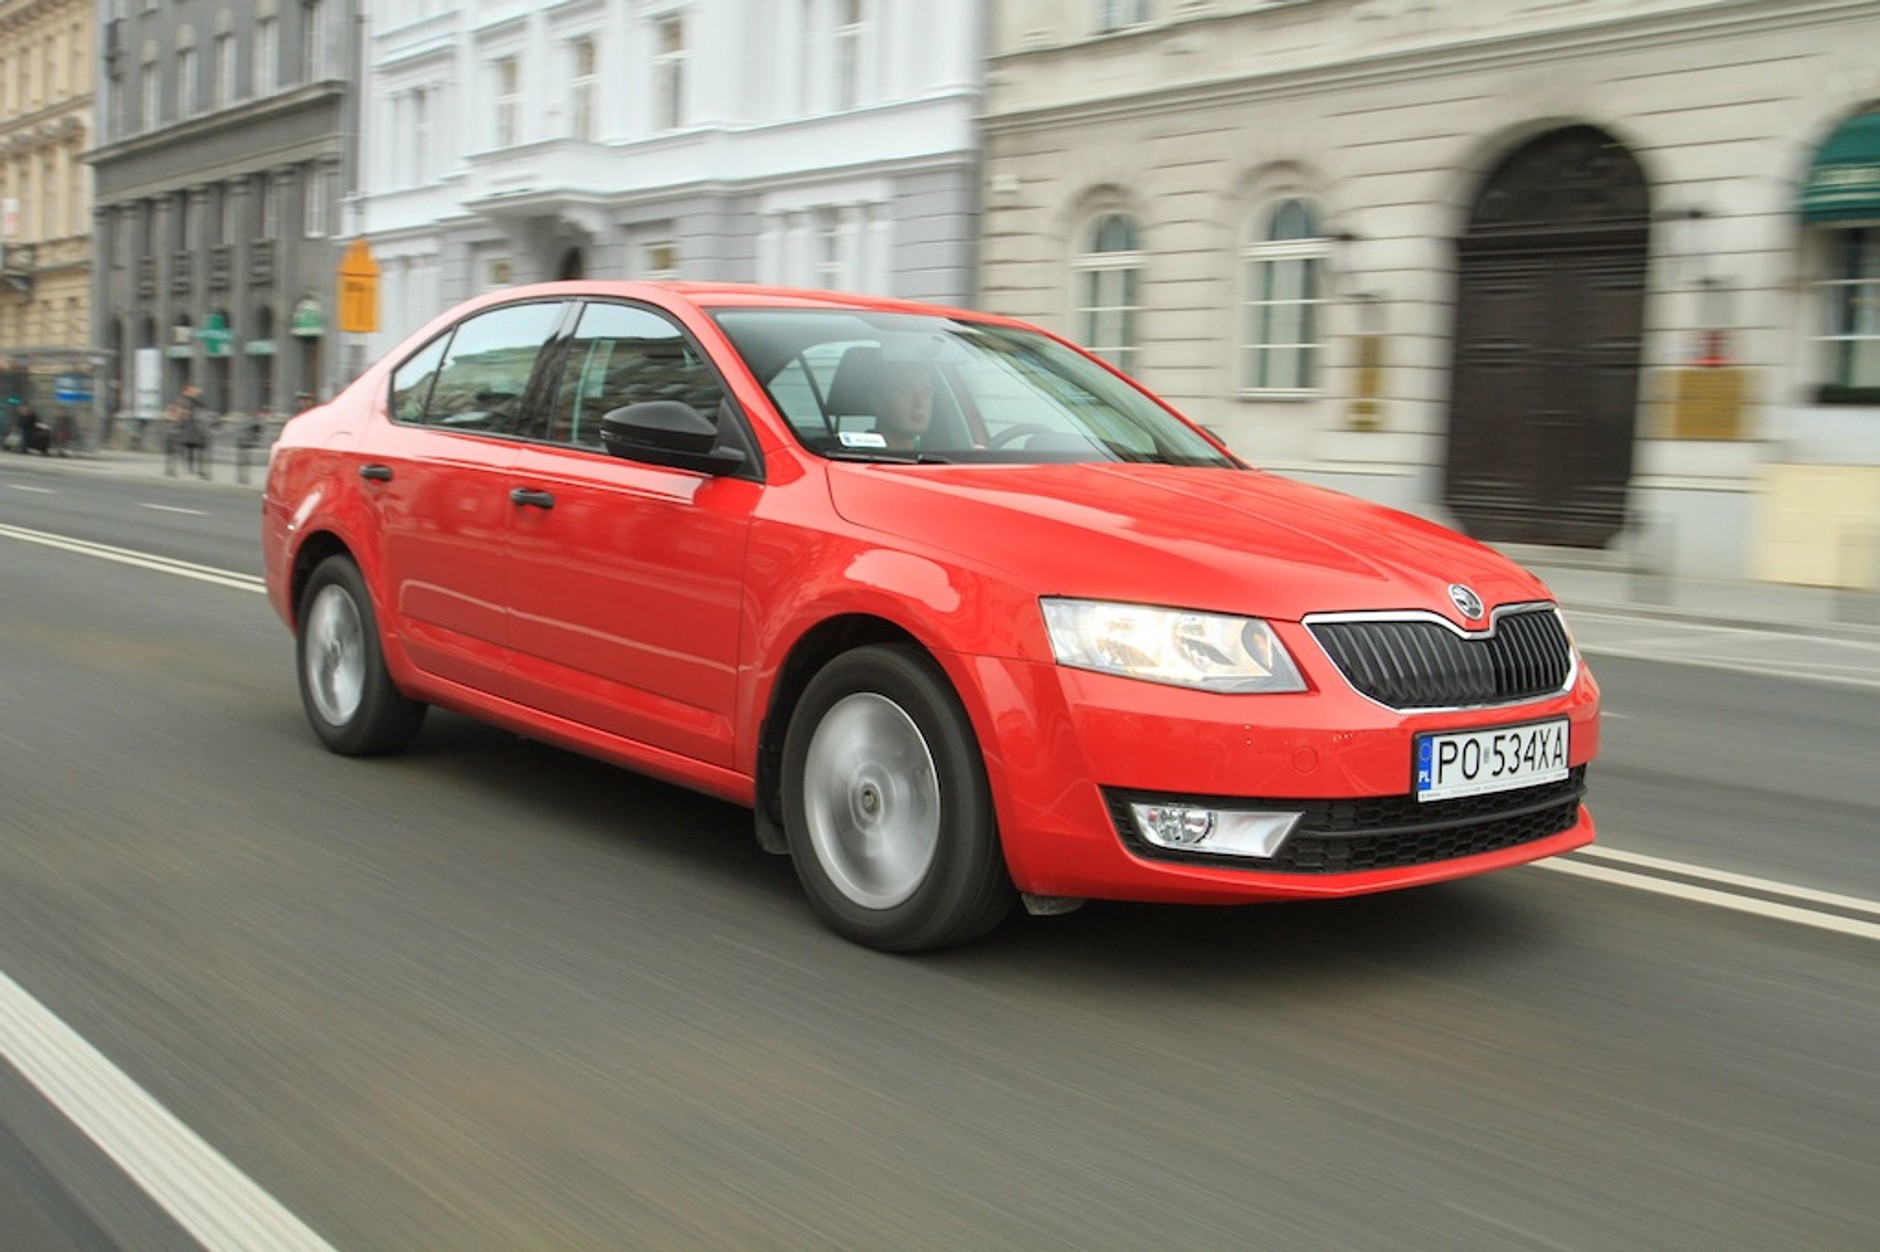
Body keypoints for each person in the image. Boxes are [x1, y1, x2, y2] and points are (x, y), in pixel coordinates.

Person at [873, 361, 935, 452]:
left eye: (926, 393)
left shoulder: (937, 458)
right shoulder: (856, 457)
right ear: (877, 404)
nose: (919, 403)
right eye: (906, 392)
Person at [174, 384, 209, 478]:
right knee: (189, 449)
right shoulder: (182, 400)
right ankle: (190, 468)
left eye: (193, 391)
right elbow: (179, 413)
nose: (193, 392)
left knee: (197, 448)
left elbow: (203, 405)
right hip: (187, 427)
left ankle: (198, 469)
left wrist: (199, 395)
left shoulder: (194, 400)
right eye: (191, 391)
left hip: (195, 428)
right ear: (186, 391)